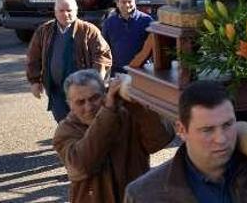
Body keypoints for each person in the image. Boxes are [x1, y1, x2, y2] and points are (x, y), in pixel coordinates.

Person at [124, 81, 247, 202]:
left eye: (228, 125)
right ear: (181, 130)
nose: (221, 139)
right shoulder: (145, 194)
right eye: (207, 130)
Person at [53, 70, 174, 203]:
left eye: (94, 98)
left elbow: (161, 139)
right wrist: (108, 111)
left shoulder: (128, 115)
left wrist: (135, 104)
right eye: (80, 102)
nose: (88, 107)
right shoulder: (65, 131)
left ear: (105, 95)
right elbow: (81, 166)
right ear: (69, 104)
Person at [26, 0, 113, 122]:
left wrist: (98, 78)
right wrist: (34, 81)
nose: (65, 14)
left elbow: (102, 55)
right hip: (57, 90)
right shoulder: (44, 31)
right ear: (55, 12)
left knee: (87, 123)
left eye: (69, 10)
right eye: (61, 10)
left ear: (76, 11)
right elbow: (33, 57)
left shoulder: (88, 30)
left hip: (83, 91)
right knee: (64, 123)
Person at [102, 0, 154, 74]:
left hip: (142, 71)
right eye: (123, 2)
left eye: (130, 1)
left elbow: (153, 48)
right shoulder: (109, 23)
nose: (127, 5)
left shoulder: (146, 21)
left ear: (135, 1)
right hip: (118, 72)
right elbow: (105, 49)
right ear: (117, 3)